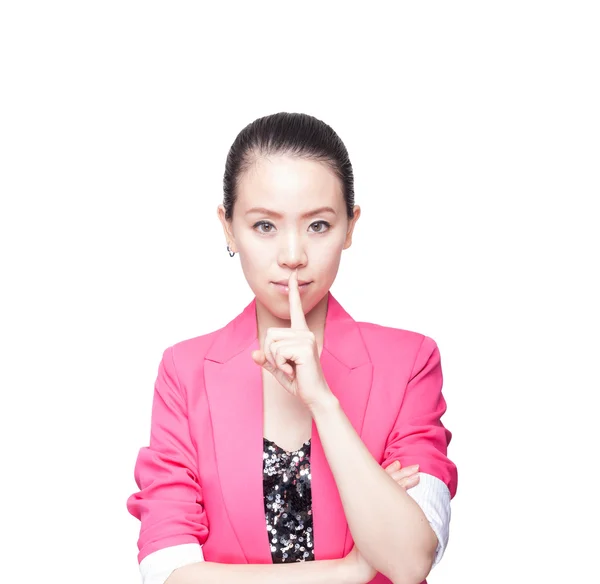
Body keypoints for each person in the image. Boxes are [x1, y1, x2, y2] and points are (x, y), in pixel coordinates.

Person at [126, 112, 458, 584]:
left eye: (318, 225)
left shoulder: (409, 363)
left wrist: (323, 401)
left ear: (350, 226)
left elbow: (408, 561)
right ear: (228, 228)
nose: (292, 254)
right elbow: (168, 573)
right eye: (264, 226)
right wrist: (351, 569)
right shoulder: (184, 371)